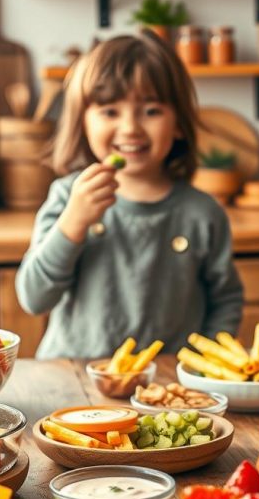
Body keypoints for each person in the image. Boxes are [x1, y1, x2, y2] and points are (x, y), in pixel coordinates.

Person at [15, 31, 244, 358]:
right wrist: (72, 224)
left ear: (178, 122)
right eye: (110, 112)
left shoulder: (203, 213)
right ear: (83, 122)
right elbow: (34, 298)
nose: (130, 128)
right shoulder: (68, 197)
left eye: (151, 111)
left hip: (167, 387)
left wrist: (204, 365)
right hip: (73, 378)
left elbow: (226, 300)